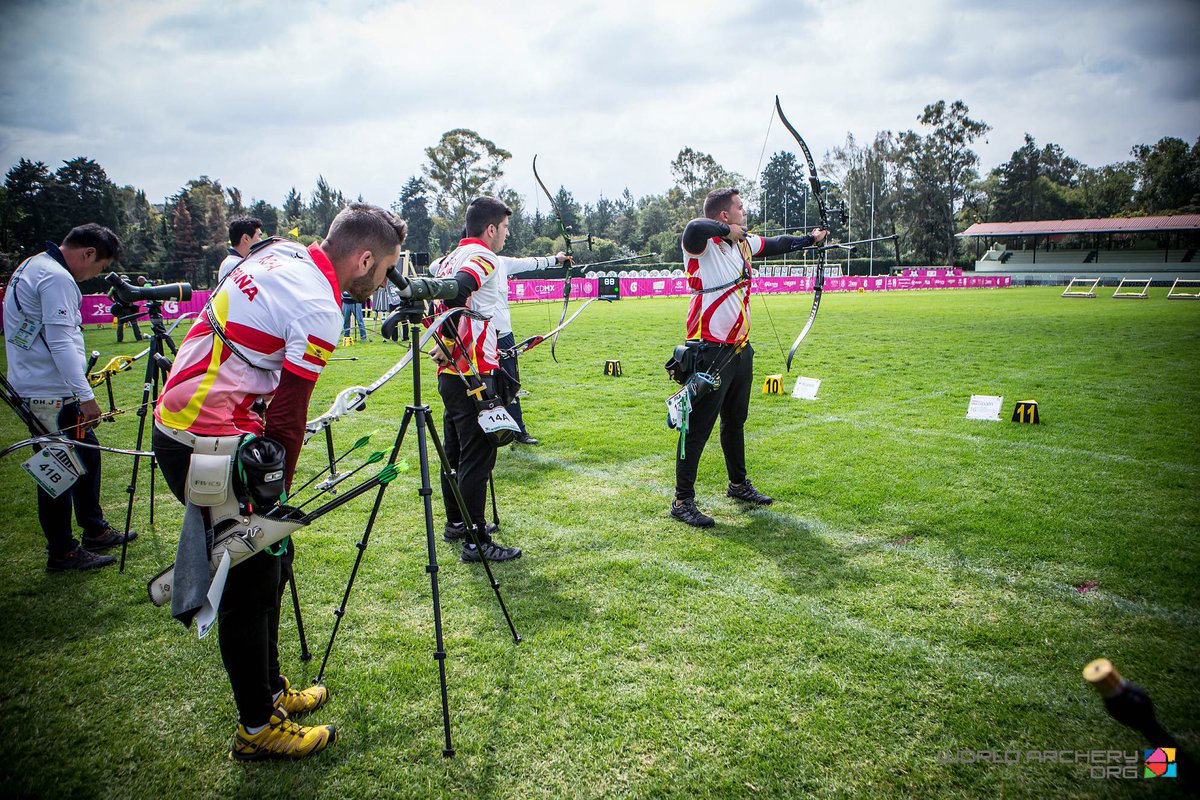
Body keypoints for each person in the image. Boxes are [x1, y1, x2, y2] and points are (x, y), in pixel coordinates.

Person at [152, 203, 405, 760]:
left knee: (270, 565)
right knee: (248, 580)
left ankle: (270, 693)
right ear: (363, 259)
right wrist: (277, 504)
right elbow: (290, 415)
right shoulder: (319, 305)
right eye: (384, 269)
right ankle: (255, 728)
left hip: (197, 429)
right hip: (206, 442)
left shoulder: (285, 254)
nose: (384, 281)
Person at [670, 188, 827, 527]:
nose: (744, 211)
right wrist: (725, 232)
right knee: (697, 429)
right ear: (724, 216)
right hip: (709, 348)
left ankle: (738, 484)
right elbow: (694, 227)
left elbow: (776, 244)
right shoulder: (702, 245)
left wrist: (810, 239)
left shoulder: (743, 244)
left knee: (735, 422)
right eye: (739, 208)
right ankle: (682, 501)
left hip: (740, 349)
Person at [3, 224, 138, 570]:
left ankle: (93, 528)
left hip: (44, 388)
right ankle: (62, 551)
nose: (96, 275)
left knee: (87, 456)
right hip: (52, 394)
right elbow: (61, 341)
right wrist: (85, 395)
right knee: (57, 471)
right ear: (88, 252)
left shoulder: (32, 266)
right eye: (99, 267)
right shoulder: (56, 277)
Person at [428, 197, 523, 562]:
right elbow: (459, 289)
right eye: (505, 228)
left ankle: (457, 523)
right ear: (490, 229)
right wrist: (450, 340)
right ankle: (475, 539)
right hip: (472, 371)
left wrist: (445, 341)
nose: (506, 235)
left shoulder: (450, 256)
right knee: (477, 456)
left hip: (453, 373)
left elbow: (445, 295)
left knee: (455, 450)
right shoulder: (483, 257)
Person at [492, 250, 567, 445]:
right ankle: (487, 432)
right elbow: (434, 266)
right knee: (479, 385)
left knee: (511, 384)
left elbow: (529, 262)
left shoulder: (501, 262)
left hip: (504, 336)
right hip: (478, 339)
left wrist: (555, 260)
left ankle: (517, 431)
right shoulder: (465, 262)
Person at [217, 216, 264, 282]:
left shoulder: (235, 262)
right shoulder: (234, 265)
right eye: (259, 236)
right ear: (246, 238)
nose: (261, 241)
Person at [109, 278, 144, 342]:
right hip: (128, 308)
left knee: (120, 324)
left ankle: (119, 339)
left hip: (119, 308)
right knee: (134, 323)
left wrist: (115, 302)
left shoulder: (114, 288)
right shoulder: (128, 288)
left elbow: (108, 296)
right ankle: (138, 338)